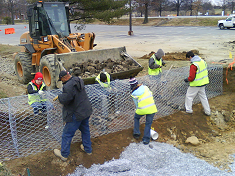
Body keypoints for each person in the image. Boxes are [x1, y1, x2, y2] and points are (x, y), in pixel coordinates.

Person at [53, 70, 93, 162]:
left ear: (64, 78)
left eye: (61, 80)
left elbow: (66, 99)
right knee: (85, 130)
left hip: (77, 113)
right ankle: (88, 149)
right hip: (86, 110)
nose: (62, 82)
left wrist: (60, 97)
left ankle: (64, 154)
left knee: (67, 134)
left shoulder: (68, 86)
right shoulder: (78, 80)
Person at [129, 77, 158, 145]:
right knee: (148, 123)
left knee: (136, 118)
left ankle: (136, 133)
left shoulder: (134, 94)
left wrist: (138, 110)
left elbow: (137, 105)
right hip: (152, 108)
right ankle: (146, 140)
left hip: (142, 109)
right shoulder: (145, 87)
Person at [184, 51, 211, 116]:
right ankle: (208, 111)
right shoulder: (202, 61)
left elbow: (192, 77)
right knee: (203, 97)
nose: (188, 60)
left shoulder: (193, 65)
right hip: (203, 83)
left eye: (188, 58)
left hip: (196, 84)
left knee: (189, 96)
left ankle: (188, 110)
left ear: (190, 57)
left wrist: (187, 79)